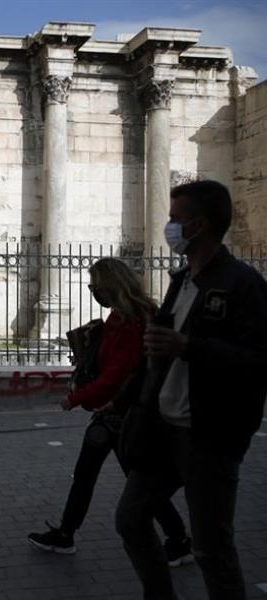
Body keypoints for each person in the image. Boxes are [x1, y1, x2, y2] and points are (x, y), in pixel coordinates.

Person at [115, 180, 267, 600]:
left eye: (175, 219)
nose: (169, 226)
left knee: (212, 549)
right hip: (162, 429)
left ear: (198, 226)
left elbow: (258, 360)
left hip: (208, 436)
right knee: (130, 519)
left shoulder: (242, 284)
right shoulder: (180, 280)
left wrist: (189, 346)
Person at [28, 259, 191, 565]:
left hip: (123, 413)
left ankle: (179, 540)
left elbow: (118, 373)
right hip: (115, 413)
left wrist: (76, 398)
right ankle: (67, 533)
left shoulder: (130, 323)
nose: (92, 291)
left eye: (95, 285)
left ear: (110, 285)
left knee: (130, 482)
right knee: (95, 475)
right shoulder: (120, 318)